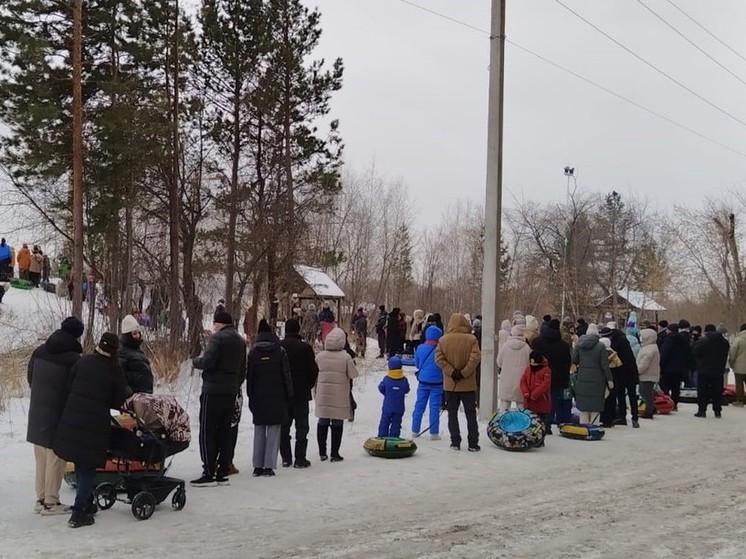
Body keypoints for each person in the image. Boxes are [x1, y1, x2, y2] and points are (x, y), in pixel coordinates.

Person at [54, 333, 127, 528]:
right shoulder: (113, 370)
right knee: (87, 466)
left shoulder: (83, 361)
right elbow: (119, 400)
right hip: (93, 424)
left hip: (72, 418)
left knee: (80, 462)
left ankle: (86, 502)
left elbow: (69, 385)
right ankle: (79, 513)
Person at [27, 316, 84, 515]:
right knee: (56, 458)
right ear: (77, 336)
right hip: (57, 414)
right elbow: (75, 390)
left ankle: (41, 498)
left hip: (37, 412)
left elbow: (30, 377)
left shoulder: (39, 351)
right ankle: (51, 502)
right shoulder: (73, 359)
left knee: (41, 458)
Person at [190, 310, 246, 487]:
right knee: (225, 431)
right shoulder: (239, 341)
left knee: (207, 430)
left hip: (213, 390)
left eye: (215, 323)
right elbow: (243, 368)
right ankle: (223, 470)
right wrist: (235, 385)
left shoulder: (217, 339)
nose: (214, 327)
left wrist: (195, 362)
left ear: (219, 323)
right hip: (230, 391)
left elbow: (208, 361)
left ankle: (208, 471)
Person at [247, 319, 293, 477]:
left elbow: (250, 378)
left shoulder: (253, 353)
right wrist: (289, 395)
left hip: (259, 397)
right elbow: (286, 375)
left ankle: (257, 466)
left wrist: (250, 396)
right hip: (277, 396)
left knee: (259, 430)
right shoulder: (280, 352)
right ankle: (269, 466)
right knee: (274, 430)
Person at [435, 313, 482, 452]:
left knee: (452, 414)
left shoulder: (443, 340)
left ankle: (455, 442)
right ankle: (473, 443)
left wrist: (451, 372)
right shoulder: (471, 339)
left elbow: (439, 359)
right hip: (467, 384)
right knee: (470, 414)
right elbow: (475, 358)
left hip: (451, 384)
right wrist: (464, 372)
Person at [314, 327, 358, 462]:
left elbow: (314, 374)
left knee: (323, 421)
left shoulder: (320, 356)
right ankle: (334, 453)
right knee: (337, 424)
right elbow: (353, 374)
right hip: (339, 396)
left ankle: (322, 452)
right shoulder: (346, 357)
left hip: (323, 394)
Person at [279, 318, 319, 469]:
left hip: (283, 394)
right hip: (301, 393)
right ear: (298, 330)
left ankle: (286, 457)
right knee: (302, 427)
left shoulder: (279, 347)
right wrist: (308, 385)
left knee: (284, 426)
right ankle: (300, 458)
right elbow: (313, 370)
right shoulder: (305, 348)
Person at [532, 318, 572, 429]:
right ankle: (548, 423)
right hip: (557, 378)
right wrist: (565, 379)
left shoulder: (537, 342)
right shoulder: (563, 346)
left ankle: (537, 423)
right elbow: (566, 363)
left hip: (538, 376)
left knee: (538, 399)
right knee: (552, 401)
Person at [572, 324, 612, 425]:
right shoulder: (600, 346)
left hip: (582, 378)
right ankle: (594, 426)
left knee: (583, 406)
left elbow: (574, 360)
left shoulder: (579, 345)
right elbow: (605, 365)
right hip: (597, 380)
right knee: (595, 405)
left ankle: (583, 427)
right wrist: (609, 379)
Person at [601, 325, 640, 428]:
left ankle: (626, 417)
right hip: (630, 372)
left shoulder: (616, 344)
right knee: (630, 396)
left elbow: (618, 361)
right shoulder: (622, 340)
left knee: (623, 395)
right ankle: (633, 418)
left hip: (622, 373)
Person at [411, 325, 444, 440]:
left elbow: (417, 364)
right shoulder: (441, 350)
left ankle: (415, 430)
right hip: (437, 382)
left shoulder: (420, 348)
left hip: (423, 381)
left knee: (419, 405)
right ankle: (434, 433)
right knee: (434, 407)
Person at [693, 324, 730, 418]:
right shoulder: (724, 342)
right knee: (717, 391)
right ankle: (717, 411)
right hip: (718, 371)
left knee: (702, 391)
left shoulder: (703, 341)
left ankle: (702, 410)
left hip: (703, 370)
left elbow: (695, 352)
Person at [660, 323, 694, 410]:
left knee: (664, 385)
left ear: (670, 330)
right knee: (676, 388)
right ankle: (674, 404)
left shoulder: (669, 340)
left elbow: (665, 353)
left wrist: (661, 364)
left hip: (668, 368)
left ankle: (666, 402)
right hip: (679, 368)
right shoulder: (683, 340)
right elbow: (688, 353)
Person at [520, 350, 552, 443]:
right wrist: (526, 393)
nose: (532, 364)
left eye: (534, 362)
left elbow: (545, 384)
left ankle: (540, 440)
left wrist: (535, 395)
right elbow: (523, 381)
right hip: (529, 401)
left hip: (541, 401)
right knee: (529, 421)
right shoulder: (528, 369)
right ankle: (529, 438)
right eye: (530, 362)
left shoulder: (546, 370)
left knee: (540, 422)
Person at [496, 325, 530, 411]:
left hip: (507, 381)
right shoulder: (526, 348)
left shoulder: (505, 346)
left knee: (504, 406)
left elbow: (499, 362)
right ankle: (522, 423)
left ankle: (502, 422)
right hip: (521, 382)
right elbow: (530, 365)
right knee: (521, 407)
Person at [119, 314, 154, 394]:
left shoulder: (137, 350)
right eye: (134, 333)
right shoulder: (122, 351)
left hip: (143, 395)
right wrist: (127, 393)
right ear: (127, 335)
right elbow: (119, 375)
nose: (137, 336)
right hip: (133, 397)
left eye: (138, 333)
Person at [377, 356, 410, 437]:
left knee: (384, 422)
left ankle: (382, 437)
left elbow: (381, 388)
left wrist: (387, 393)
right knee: (396, 423)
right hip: (399, 407)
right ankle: (394, 438)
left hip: (388, 406)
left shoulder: (386, 379)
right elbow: (407, 389)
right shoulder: (404, 380)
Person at [636, 328, 660, 420]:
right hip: (649, 374)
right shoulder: (652, 347)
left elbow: (644, 364)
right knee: (647, 393)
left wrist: (637, 371)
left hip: (647, 375)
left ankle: (649, 410)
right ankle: (650, 408)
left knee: (646, 393)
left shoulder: (648, 349)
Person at [729, 323, 746, 407]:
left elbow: (733, 352)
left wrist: (732, 363)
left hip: (740, 366)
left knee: (739, 384)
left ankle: (740, 401)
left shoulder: (738, 339)